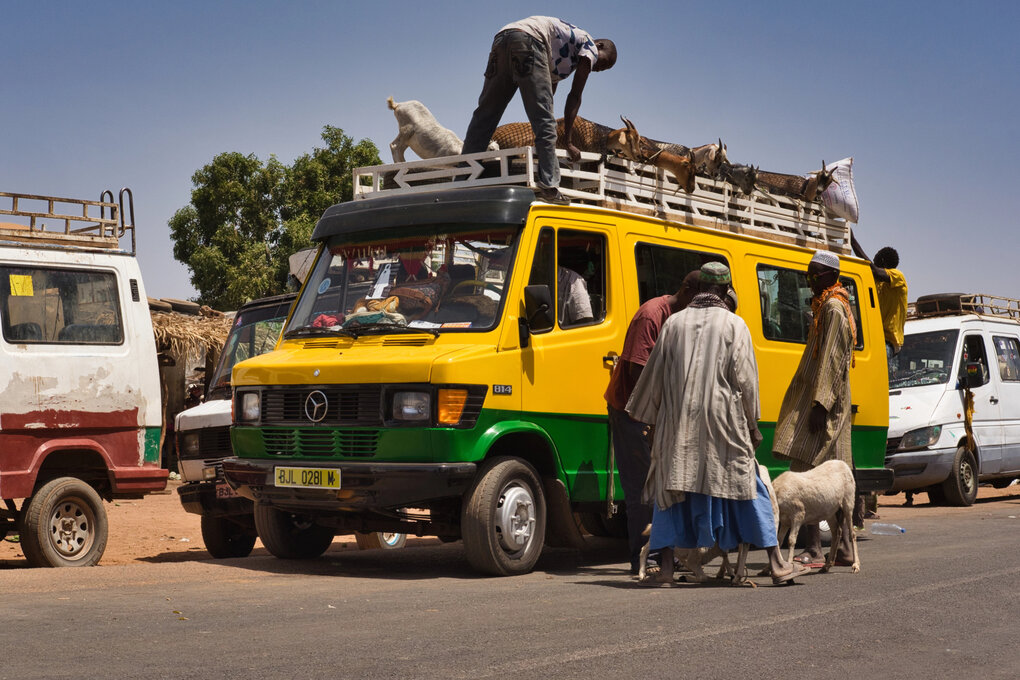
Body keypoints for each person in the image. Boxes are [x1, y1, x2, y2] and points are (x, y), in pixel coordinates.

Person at [626, 262, 808, 586]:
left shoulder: (673, 324)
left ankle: (666, 571)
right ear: (725, 291)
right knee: (747, 485)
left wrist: (652, 422)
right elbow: (747, 381)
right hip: (724, 422)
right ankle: (778, 564)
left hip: (677, 423)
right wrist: (752, 423)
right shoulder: (734, 325)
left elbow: (654, 376)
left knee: (670, 490)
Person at [461, 16, 617, 205]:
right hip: (529, 40)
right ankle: (549, 187)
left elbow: (546, 97)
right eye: (604, 63)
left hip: (503, 38)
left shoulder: (562, 56)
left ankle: (463, 178)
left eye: (604, 69)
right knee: (545, 122)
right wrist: (567, 141)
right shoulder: (589, 45)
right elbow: (574, 96)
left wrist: (544, 116)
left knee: (485, 114)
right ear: (599, 46)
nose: (599, 69)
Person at [604, 270, 700, 575]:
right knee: (641, 487)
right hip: (633, 411)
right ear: (685, 291)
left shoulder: (679, 318)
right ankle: (642, 558)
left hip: (655, 413)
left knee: (661, 485)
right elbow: (637, 373)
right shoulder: (652, 315)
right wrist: (652, 422)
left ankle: (660, 553)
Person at [772, 250, 857, 567]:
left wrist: (820, 405)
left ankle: (814, 549)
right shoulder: (829, 307)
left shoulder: (834, 308)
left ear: (830, 276)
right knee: (828, 478)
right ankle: (844, 549)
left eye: (814, 276)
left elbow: (832, 359)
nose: (809, 282)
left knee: (804, 479)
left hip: (824, 407)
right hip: (828, 404)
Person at [850, 231, 907, 358]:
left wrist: (853, 242)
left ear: (882, 261)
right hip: (876, 338)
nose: (873, 262)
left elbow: (874, 271)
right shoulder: (878, 283)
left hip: (888, 342)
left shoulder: (898, 276)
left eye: (874, 259)